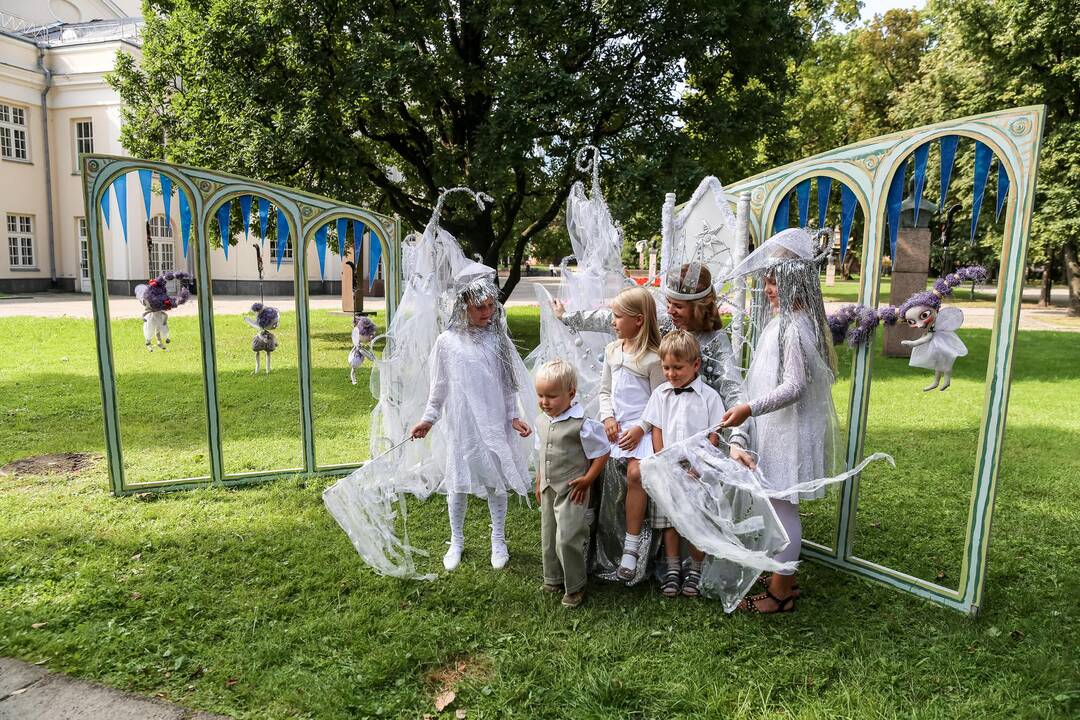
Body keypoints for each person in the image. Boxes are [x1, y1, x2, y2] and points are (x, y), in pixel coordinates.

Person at [719, 228, 843, 613]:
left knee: (782, 508)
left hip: (788, 430)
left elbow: (793, 386)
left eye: (775, 282)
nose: (768, 290)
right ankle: (781, 578)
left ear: (794, 283)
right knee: (777, 506)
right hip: (782, 427)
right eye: (768, 282)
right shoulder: (790, 321)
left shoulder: (794, 327)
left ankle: (781, 593)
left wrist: (748, 409)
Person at [552, 264, 755, 470]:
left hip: (696, 430)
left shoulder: (715, 342)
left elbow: (734, 391)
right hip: (657, 424)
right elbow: (613, 318)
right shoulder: (666, 325)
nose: (669, 310)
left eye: (678, 305)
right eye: (668, 303)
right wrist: (567, 317)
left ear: (698, 307)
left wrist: (737, 441)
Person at [409, 272, 533, 572]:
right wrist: (429, 418)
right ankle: (456, 540)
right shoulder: (447, 342)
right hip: (462, 423)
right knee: (458, 482)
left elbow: (507, 384)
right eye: (480, 307)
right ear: (463, 307)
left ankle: (498, 538)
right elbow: (438, 387)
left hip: (493, 421)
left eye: (491, 306)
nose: (487, 312)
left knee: (495, 481)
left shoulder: (497, 339)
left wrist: (513, 416)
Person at [641, 330, 728, 597]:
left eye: (677, 368)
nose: (671, 374)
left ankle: (696, 569)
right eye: (666, 367)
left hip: (696, 470)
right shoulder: (661, 394)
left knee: (695, 521)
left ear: (695, 365)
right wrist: (663, 460)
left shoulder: (709, 397)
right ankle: (672, 569)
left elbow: (715, 433)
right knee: (669, 520)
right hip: (668, 468)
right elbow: (656, 428)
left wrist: (699, 464)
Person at [594, 287, 665, 582]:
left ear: (638, 320)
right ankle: (601, 540)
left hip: (642, 429)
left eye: (618, 316)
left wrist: (641, 428)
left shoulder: (653, 359)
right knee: (605, 475)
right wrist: (608, 417)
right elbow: (605, 392)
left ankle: (632, 549)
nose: (613, 322)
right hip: (616, 429)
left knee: (637, 474)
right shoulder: (613, 350)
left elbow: (659, 399)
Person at [533, 359, 610, 608]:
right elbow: (541, 453)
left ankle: (575, 585)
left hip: (572, 490)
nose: (545, 402)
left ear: (571, 394)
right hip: (548, 487)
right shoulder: (542, 421)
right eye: (541, 396)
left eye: (551, 396)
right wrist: (539, 480)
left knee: (567, 537)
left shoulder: (582, 425)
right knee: (548, 535)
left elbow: (602, 452)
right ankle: (552, 577)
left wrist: (588, 479)